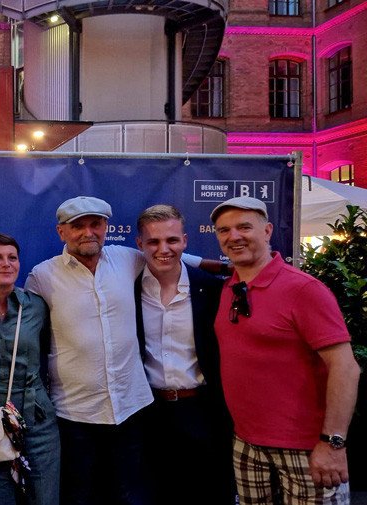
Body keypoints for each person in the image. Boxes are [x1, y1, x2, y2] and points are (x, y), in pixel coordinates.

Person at [25, 195, 219, 505]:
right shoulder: (42, 276)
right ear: (62, 232)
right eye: (78, 226)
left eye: (96, 224)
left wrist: (225, 265)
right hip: (75, 415)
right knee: (82, 496)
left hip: (132, 410)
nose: (88, 232)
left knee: (133, 495)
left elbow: (170, 254)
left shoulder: (127, 258)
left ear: (106, 227)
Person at [210, 196, 360, 505]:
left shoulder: (304, 290)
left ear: (266, 231)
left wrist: (332, 445)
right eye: (224, 230)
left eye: (243, 227)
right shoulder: (230, 288)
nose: (233, 236)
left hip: (307, 449)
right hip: (246, 443)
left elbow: (346, 368)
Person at [133, 204, 234, 505]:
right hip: (149, 414)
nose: (164, 249)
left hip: (203, 412)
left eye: (172, 240)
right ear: (140, 245)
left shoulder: (211, 289)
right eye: (153, 241)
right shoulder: (126, 289)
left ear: (185, 241)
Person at [0, 233, 60, 504]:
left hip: (37, 418)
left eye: (12, 258)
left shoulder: (37, 307)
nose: (6, 264)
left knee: (44, 497)